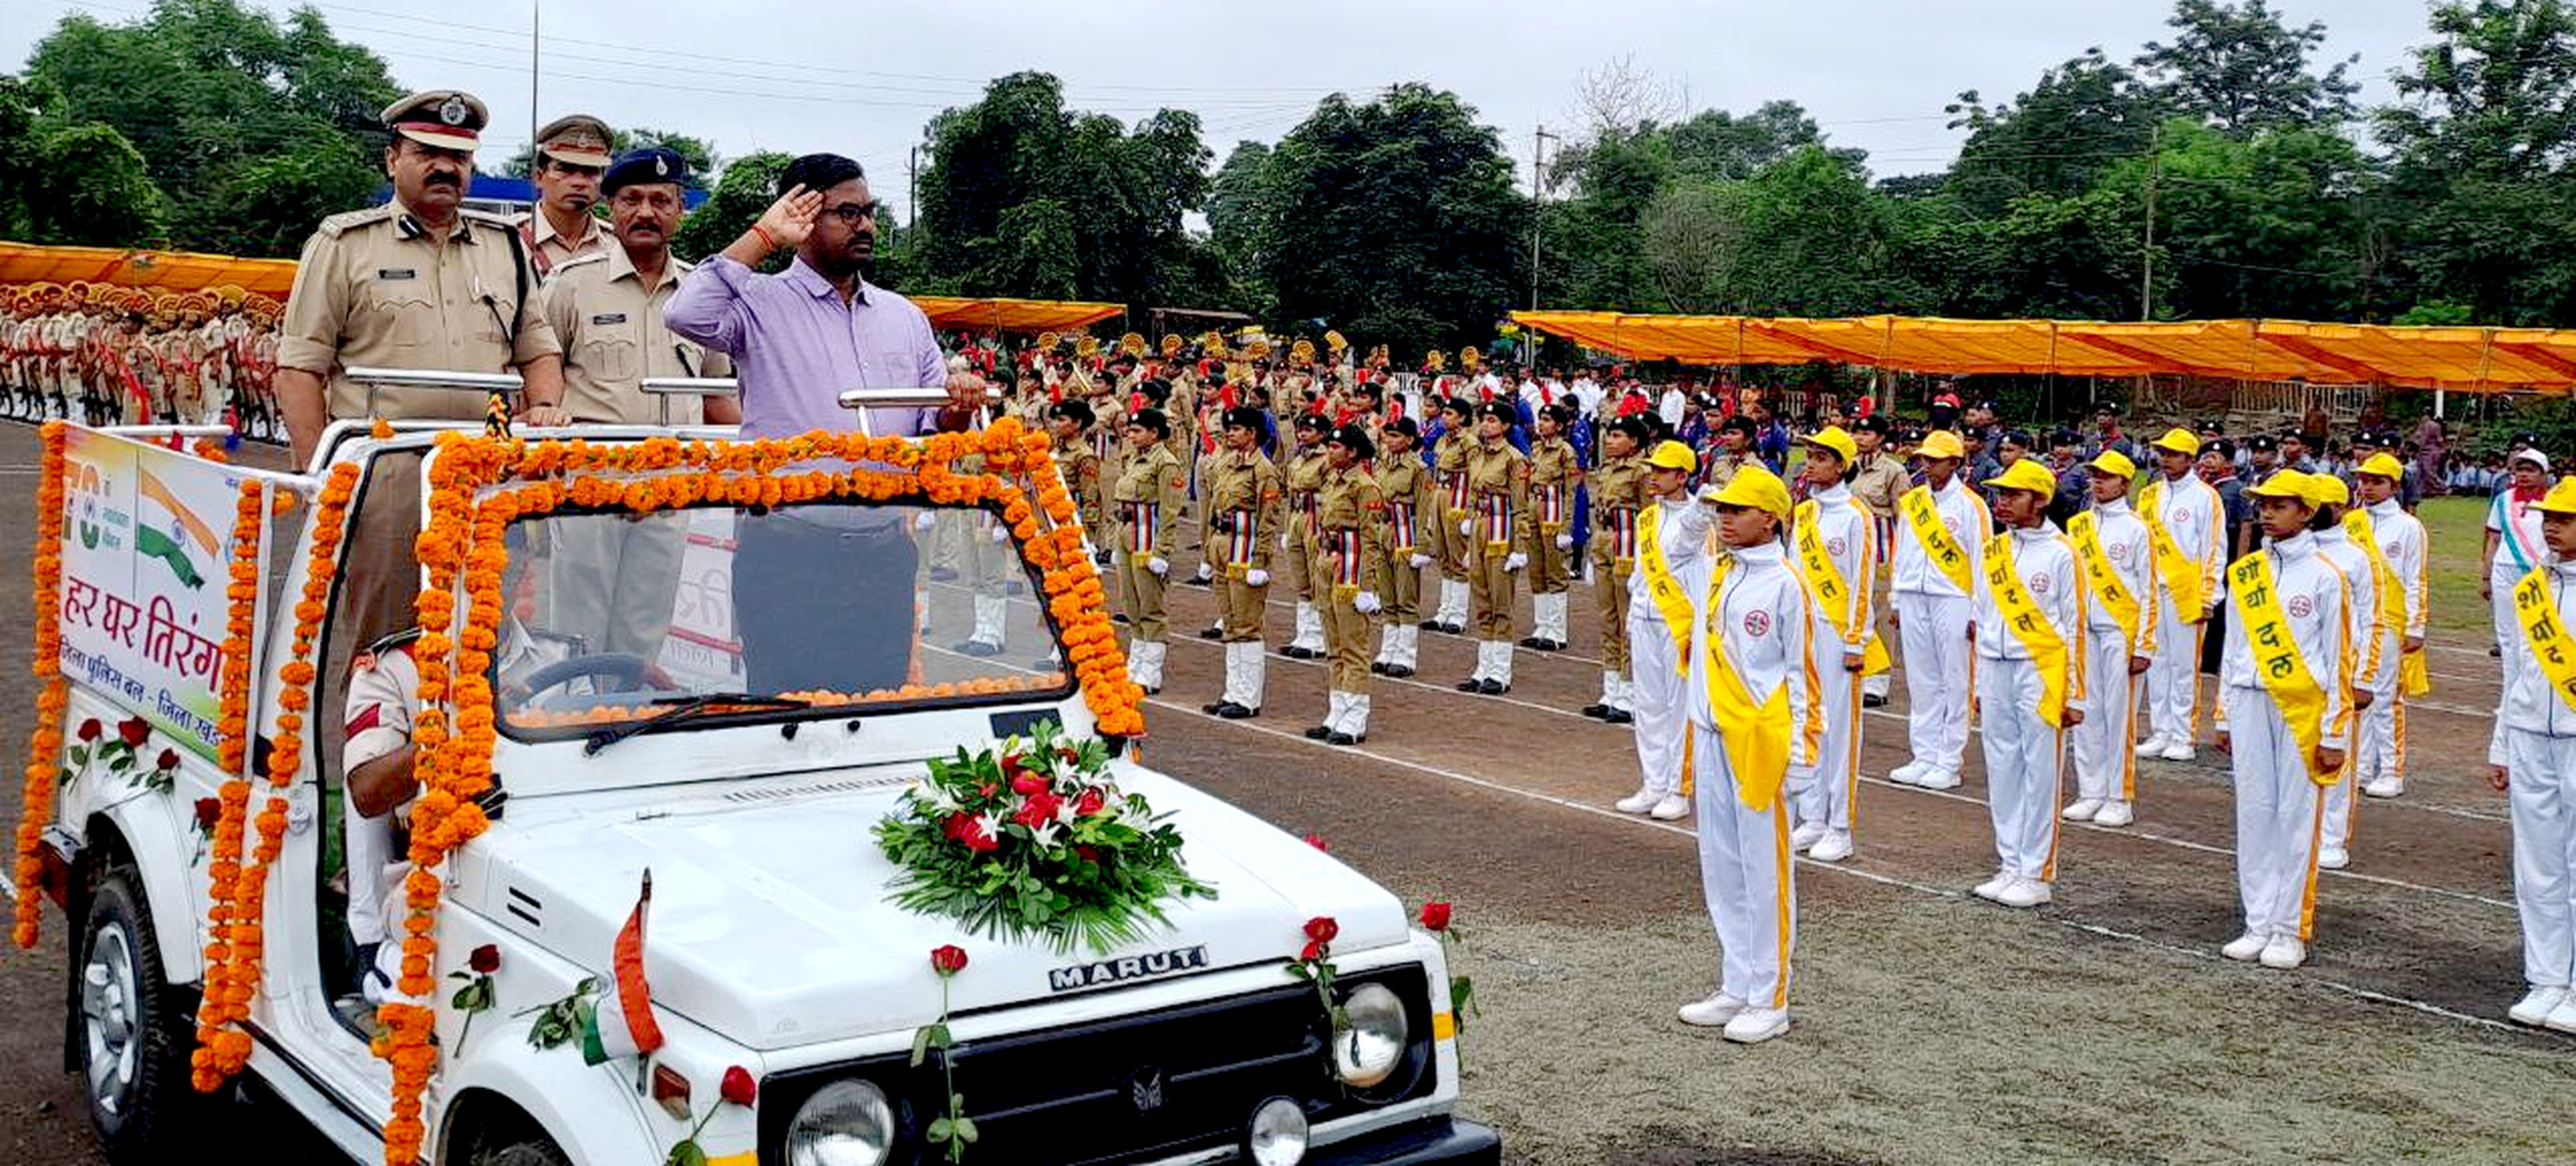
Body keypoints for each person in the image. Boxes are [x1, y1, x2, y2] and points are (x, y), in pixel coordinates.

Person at [662, 154, 985, 691]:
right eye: (847, 213)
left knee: (877, 703)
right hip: (787, 551)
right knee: (789, 711)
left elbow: (936, 432)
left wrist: (958, 406)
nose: (867, 226)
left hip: (884, 552)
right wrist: (766, 234)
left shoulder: (903, 317)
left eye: (869, 211)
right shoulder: (759, 303)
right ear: (803, 216)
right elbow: (685, 313)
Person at [276, 89, 569, 679]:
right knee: (382, 643)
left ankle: (465, 768)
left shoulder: (505, 247)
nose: (445, 167)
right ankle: (373, 766)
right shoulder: (345, 244)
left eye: (459, 158)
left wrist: (544, 408)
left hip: (485, 476)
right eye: (427, 152)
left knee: (484, 635)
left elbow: (538, 351)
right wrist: (322, 478)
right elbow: (299, 368)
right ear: (393, 160)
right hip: (387, 476)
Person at [535, 146, 737, 661]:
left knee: (647, 630)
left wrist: (770, 456)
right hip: (591, 483)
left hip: (670, 485)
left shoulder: (699, 292)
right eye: (632, 199)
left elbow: (716, 397)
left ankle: (626, 720)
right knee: (577, 628)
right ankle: (575, 725)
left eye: (660, 200)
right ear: (611, 208)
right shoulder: (571, 284)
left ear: (680, 209)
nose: (646, 212)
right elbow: (535, 375)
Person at [1676, 463, 1816, 1046]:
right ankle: (1736, 981)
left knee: (1765, 872)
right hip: (1710, 732)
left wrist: (1803, 760)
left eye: (1737, 510)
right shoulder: (1715, 567)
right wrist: (1704, 495)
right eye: (1721, 510)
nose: (1724, 519)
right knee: (1723, 867)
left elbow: (1802, 674)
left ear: (1771, 517)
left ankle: (1770, 996)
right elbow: (1676, 544)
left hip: (1761, 742)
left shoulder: (1786, 583)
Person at [2213, 470, 2350, 971]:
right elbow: (2233, 647)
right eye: (2263, 504)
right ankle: (2258, 920)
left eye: (2280, 505)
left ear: (2307, 512)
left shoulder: (2326, 575)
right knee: (2254, 813)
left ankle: (2290, 927)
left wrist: (2334, 732)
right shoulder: (2246, 571)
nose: (2267, 512)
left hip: (2302, 706)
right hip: (2249, 699)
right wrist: (2224, 712)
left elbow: (2339, 659)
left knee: (2296, 818)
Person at [1972, 459, 2087, 908]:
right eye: (1999, 494)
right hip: (1996, 666)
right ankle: (2009, 862)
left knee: (2040, 771)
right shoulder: (1993, 550)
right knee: (2002, 766)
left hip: (2041, 669)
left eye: (2012, 494)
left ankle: (2036, 871)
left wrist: (2074, 693)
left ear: (2039, 500)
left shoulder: (2062, 552)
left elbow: (2074, 625)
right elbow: (1983, 615)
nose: (2002, 502)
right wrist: (1980, 682)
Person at [2497, 476, 2576, 1029]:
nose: (2550, 526)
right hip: (2529, 735)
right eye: (2549, 517)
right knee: (2537, 866)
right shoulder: (2533, 587)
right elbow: (2518, 671)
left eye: (2564, 519)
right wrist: (2501, 742)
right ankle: (2546, 977)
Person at [1786, 427, 1879, 863]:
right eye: (1809, 456)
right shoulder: (1804, 513)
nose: (1811, 464)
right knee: (1810, 722)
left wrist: (1857, 640)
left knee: (1841, 730)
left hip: (1840, 632)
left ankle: (1840, 826)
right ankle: (1814, 816)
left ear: (1840, 465)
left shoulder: (1857, 515)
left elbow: (1863, 582)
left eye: (1821, 458)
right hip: (1805, 631)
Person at [1616, 440, 1717, 820]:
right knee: (1649, 706)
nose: (1653, 476)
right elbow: (1642, 574)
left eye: (1662, 471)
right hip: (1645, 618)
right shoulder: (1647, 518)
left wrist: (1702, 510)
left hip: (1680, 624)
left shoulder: (1699, 517)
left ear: (1682, 476)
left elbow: (1682, 545)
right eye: (1652, 469)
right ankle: (1653, 782)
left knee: (1680, 710)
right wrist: (1634, 614)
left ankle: (1679, 787)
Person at [1887, 430, 1988, 791]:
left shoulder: (1972, 505)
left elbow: (1982, 558)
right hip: (1915, 594)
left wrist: (1979, 611)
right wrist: (1897, 598)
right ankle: (1924, 754)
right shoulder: (1914, 501)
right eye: (1924, 460)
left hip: (1955, 596)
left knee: (1956, 679)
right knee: (1922, 678)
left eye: (1935, 460)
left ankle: (1949, 760)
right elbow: (1903, 550)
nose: (1927, 466)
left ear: (1955, 463)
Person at [2065, 449, 2156, 829]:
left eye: (2105, 476)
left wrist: (2145, 644)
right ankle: (2090, 790)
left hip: (2121, 630)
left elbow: (2150, 589)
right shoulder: (2079, 524)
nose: (2097, 482)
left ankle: (2119, 795)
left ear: (2124, 482)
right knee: (2086, 712)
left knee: (2120, 716)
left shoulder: (2138, 528)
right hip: (2084, 630)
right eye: (2094, 475)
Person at [2307, 473, 2389, 871]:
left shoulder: (2358, 557)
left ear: (2339, 508)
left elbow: (2373, 620)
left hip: (2342, 673)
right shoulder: (2287, 549)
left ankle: (2334, 837)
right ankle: (2303, 831)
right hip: (2298, 674)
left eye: (2318, 504)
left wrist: (2364, 678)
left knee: (2337, 760)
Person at [2134, 428, 2224, 762]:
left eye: (2173, 454)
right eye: (2163, 453)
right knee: (2157, 663)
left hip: (2187, 591)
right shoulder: (2150, 495)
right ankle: (2161, 730)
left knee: (2184, 667)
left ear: (2190, 459)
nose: (2165, 460)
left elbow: (2215, 547)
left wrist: (2209, 594)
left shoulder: (2205, 497)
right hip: (2152, 591)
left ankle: (2183, 735)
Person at [2351, 454, 2428, 799]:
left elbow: (2416, 579)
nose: (2367, 487)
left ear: (2394, 486)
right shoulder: (2352, 522)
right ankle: (2363, 766)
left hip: (2391, 624)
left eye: (2376, 481)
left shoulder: (2410, 527)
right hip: (2356, 621)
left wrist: (2416, 626)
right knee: (2358, 695)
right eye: (2364, 480)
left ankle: (2392, 770)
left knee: (2386, 699)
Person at [1304, 423, 1386, 745]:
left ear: (1353, 453)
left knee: (1353, 646)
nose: (1330, 452)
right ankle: (1337, 710)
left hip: (1350, 569)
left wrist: (1368, 586)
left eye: (1336, 448)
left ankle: (1355, 717)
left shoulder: (1366, 488)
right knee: (1334, 644)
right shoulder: (1332, 478)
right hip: (1327, 563)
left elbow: (1371, 540)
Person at [1202, 407, 1282, 717]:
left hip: (1246, 548)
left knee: (1247, 624)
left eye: (1237, 429)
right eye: (1229, 429)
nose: (1230, 433)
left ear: (1253, 433)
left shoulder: (1263, 470)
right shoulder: (1227, 463)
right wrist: (1209, 551)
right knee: (1231, 622)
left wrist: (1261, 561)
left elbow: (1268, 519)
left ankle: (1248, 698)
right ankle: (1232, 691)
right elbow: (1215, 508)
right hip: (1224, 545)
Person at [1108, 410, 1187, 693]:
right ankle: (1136, 664)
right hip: (1127, 534)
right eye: (1130, 431)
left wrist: (1162, 552)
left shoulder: (1166, 464)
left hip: (1147, 538)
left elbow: (1169, 511)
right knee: (1131, 602)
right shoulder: (1134, 459)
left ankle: (1151, 671)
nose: (1131, 435)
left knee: (1150, 605)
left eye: (1138, 431)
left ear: (1154, 433)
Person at [1457, 401, 1532, 694]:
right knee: (1483, 603)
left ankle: (1500, 672)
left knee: (1501, 604)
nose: (1485, 425)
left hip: (1503, 533)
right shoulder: (1476, 455)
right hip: (1480, 529)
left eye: (1492, 420)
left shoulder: (1515, 460)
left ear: (1505, 427)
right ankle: (1483, 668)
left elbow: (1521, 507)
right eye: (1483, 420)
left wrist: (1520, 548)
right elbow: (1474, 496)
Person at [2486, 449, 2554, 766]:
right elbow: (2493, 539)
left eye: (2531, 469)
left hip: (2539, 576)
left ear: (2543, 473)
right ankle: (2510, 695)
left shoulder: (2553, 502)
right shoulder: (2503, 501)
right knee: (2510, 641)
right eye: (2520, 469)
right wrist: (2486, 575)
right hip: (2505, 573)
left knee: (2536, 638)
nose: (2525, 475)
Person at [1586, 415, 1651, 723]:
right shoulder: (1609, 469)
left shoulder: (1642, 472)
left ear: (1635, 442)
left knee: (1629, 620)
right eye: (1609, 436)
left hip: (1628, 546)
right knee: (1607, 617)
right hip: (1604, 541)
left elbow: (1650, 517)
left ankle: (1629, 692)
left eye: (1617, 436)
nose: (1610, 441)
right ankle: (1611, 688)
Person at [1848, 415, 1908, 708]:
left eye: (1867, 433)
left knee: (1880, 614)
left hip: (1882, 551)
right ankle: (1856, 672)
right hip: (1849, 552)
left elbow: (1904, 518)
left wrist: (1902, 558)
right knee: (1852, 612)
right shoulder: (1845, 467)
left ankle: (1878, 680)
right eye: (1857, 432)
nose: (1860, 438)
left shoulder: (1893, 472)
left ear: (1881, 438)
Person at [1371, 418, 1431, 678]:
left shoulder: (1418, 468)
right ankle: (1388, 649)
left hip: (1405, 532)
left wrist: (1421, 546)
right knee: (1387, 594)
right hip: (1383, 531)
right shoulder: (1381, 464)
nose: (1391, 440)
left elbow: (1425, 506)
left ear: (1408, 440)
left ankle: (1406, 654)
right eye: (1388, 435)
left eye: (1397, 436)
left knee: (1406, 596)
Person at [519, 114, 614, 277]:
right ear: (539, 177)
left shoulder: (617, 245)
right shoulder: (508, 241)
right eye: (565, 170)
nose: (579, 182)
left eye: (591, 172)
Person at [1521, 404, 1580, 652]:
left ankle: (1557, 631)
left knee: (1555, 571)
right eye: (1541, 419)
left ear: (1559, 426)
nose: (1542, 424)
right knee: (1537, 569)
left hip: (1554, 511)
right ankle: (1541, 626)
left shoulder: (1566, 452)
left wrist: (1567, 527)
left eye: (1547, 420)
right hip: (1535, 507)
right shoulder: (1536, 448)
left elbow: (1571, 492)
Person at [1276, 414, 1333, 661]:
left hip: (1316, 519)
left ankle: (1319, 638)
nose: (1302, 434)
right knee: (1301, 580)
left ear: (1322, 435)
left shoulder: (1327, 460)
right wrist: (1288, 528)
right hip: (1299, 517)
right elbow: (1291, 494)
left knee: (1317, 576)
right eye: (1301, 430)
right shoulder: (1299, 458)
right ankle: (1304, 634)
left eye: (1309, 430)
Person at [1426, 398, 1476, 635]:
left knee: (1458, 557)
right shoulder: (1442, 439)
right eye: (1444, 413)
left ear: (1463, 418)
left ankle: (1458, 614)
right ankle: (1444, 611)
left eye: (1450, 413)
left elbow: (1476, 478)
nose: (1444, 417)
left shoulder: (1470, 443)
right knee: (1443, 555)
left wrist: (1470, 512)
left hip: (1458, 499)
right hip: (1440, 495)